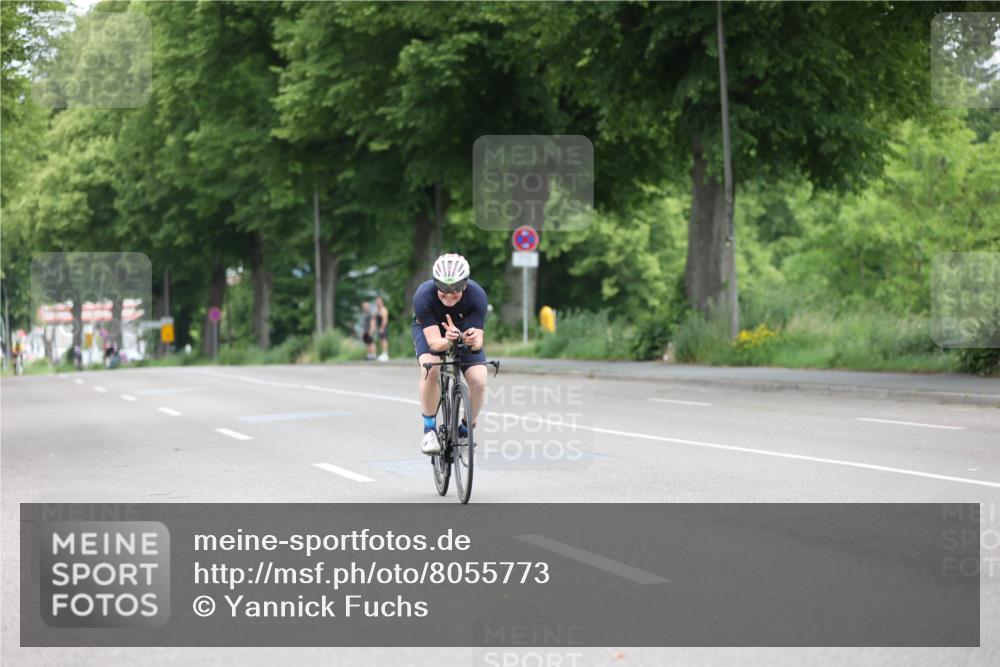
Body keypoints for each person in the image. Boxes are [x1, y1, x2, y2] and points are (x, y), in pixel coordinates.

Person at [412, 253, 488, 455]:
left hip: (462, 328)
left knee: (479, 379)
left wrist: (471, 339)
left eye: (457, 288)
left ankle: (465, 428)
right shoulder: (423, 296)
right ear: (435, 283)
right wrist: (449, 340)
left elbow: (478, 340)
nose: (449, 294)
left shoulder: (477, 295)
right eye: (444, 288)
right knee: (431, 370)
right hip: (432, 331)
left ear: (466, 283)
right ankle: (429, 431)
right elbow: (435, 343)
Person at [375, 296, 390, 362]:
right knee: (382, 340)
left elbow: (385, 320)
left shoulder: (383, 309)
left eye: (378, 301)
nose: (377, 302)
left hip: (383, 327)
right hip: (380, 328)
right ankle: (383, 353)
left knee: (384, 340)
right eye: (376, 301)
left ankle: (385, 354)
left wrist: (382, 328)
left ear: (381, 302)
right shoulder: (378, 310)